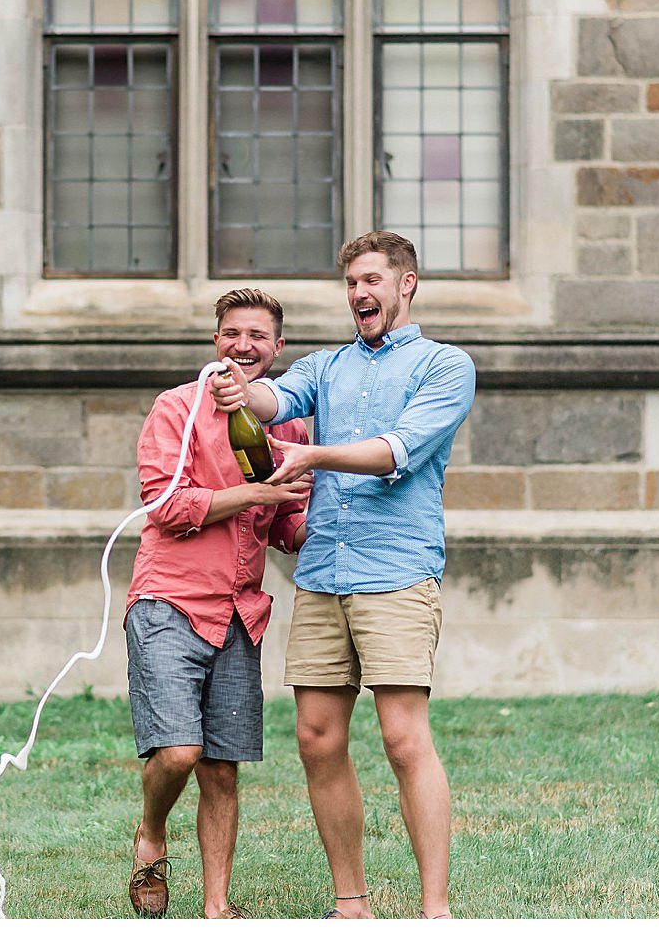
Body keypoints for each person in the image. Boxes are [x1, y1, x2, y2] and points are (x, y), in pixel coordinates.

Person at [208, 231, 475, 920]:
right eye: (351, 282)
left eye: (371, 280)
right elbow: (276, 401)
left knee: (402, 737)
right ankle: (349, 905)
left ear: (405, 284)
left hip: (395, 572)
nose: (359, 292)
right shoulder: (325, 366)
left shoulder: (445, 367)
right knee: (316, 738)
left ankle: (434, 910)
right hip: (323, 572)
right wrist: (244, 391)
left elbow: (396, 451)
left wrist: (314, 456)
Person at [125, 288, 313, 919]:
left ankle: (215, 910)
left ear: (278, 347)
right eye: (232, 333)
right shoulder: (175, 409)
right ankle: (152, 833)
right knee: (178, 752)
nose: (243, 346)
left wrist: (337, 506)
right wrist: (258, 489)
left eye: (258, 336)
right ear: (216, 340)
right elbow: (166, 508)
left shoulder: (287, 425)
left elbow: (287, 531)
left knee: (222, 771)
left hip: (240, 613)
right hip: (169, 603)